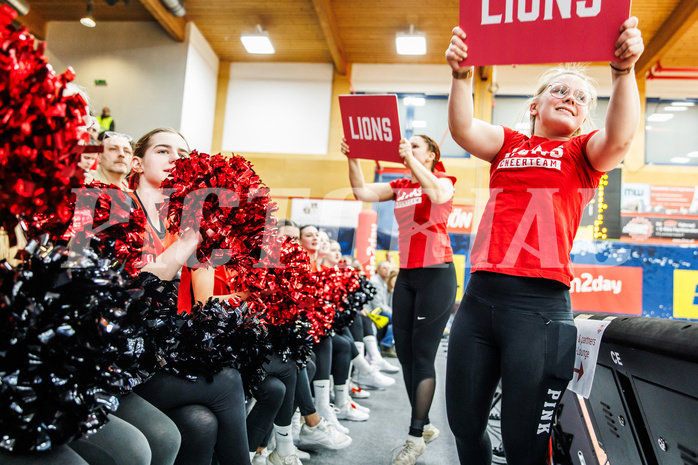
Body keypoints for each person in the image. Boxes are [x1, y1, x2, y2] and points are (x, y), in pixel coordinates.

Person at [444, 17, 644, 465]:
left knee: (524, 442)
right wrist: (460, 75)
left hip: (540, 310)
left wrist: (623, 72)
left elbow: (622, 136)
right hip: (478, 300)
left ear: (585, 117)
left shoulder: (582, 153)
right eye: (560, 91)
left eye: (581, 98)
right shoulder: (507, 142)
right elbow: (461, 128)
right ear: (535, 105)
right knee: (463, 425)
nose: (571, 98)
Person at [128, 127, 252, 465]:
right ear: (137, 163)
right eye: (163, 151)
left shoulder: (178, 221)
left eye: (182, 155)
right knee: (226, 381)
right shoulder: (117, 211)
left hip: (158, 354)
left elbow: (199, 302)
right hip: (121, 362)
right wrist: (191, 239)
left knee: (200, 422)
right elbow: (135, 291)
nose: (174, 160)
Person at [343, 135, 457, 465]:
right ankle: (425, 427)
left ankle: (415, 435)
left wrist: (412, 161)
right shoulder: (401, 184)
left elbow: (437, 194)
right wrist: (353, 159)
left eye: (416, 146)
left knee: (422, 357)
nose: (407, 149)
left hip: (436, 274)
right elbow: (363, 192)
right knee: (406, 356)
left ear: (432, 154)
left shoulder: (443, 180)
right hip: (406, 276)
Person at [368, 260, 398, 360]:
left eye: (388, 268)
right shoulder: (375, 282)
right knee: (396, 319)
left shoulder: (383, 282)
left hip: (378, 311)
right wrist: (393, 313)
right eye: (384, 268)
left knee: (397, 318)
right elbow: (378, 305)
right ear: (378, 270)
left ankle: (387, 344)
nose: (387, 271)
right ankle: (387, 345)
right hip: (372, 313)